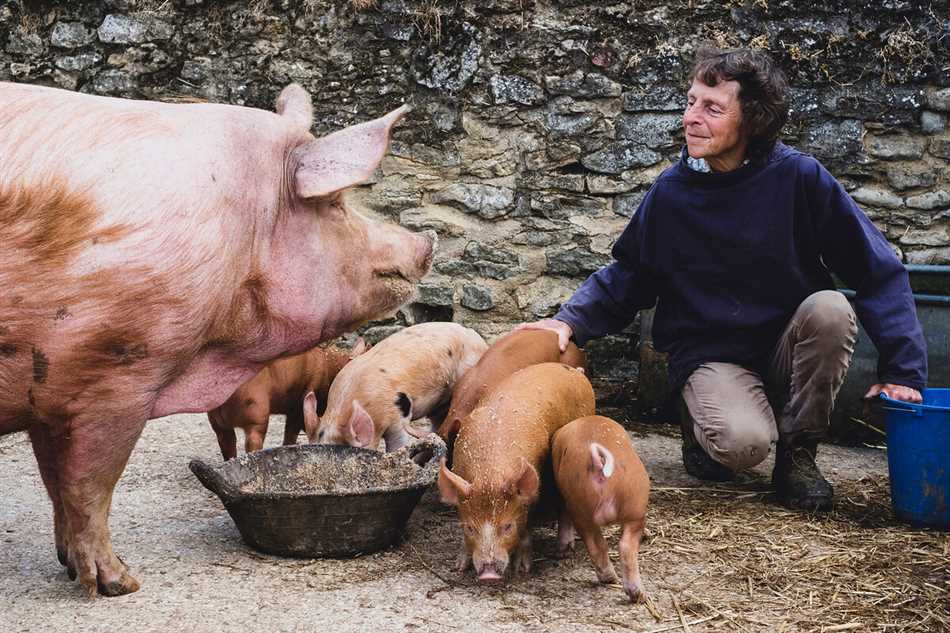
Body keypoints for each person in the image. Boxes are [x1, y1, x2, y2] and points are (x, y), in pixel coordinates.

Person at [519, 47, 927, 512]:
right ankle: (700, 429)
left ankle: (799, 456)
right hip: (712, 355)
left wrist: (902, 372)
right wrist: (568, 321)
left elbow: (876, 269)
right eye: (691, 101)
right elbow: (632, 273)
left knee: (831, 309)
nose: (691, 117)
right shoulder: (672, 194)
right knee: (741, 447)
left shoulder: (799, 177)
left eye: (712, 108)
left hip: (784, 349)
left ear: (751, 121)